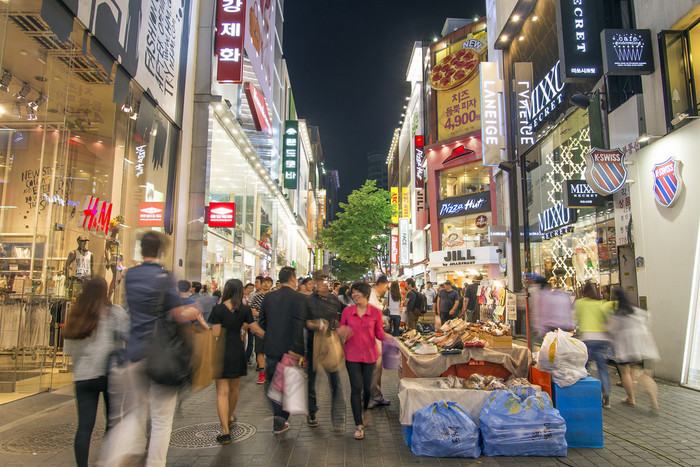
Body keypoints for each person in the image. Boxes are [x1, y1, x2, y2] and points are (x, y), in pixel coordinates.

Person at [105, 231, 199, 467]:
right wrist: (192, 311)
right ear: (161, 251)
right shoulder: (163, 277)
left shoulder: (131, 275)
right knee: (161, 420)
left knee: (136, 412)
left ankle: (118, 454)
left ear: (142, 249)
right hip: (160, 355)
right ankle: (155, 463)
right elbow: (178, 314)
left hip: (134, 351)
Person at [63, 277, 128, 467]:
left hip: (83, 377)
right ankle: (106, 460)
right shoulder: (113, 312)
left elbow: (69, 350)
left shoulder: (76, 316)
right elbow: (129, 334)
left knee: (84, 426)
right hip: (109, 374)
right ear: (105, 292)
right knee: (113, 422)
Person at [208, 279, 264, 444]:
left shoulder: (217, 309)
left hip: (221, 351)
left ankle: (225, 430)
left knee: (221, 392)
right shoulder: (244, 309)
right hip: (237, 350)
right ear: (240, 291)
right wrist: (270, 336)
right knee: (234, 389)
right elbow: (255, 328)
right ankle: (230, 416)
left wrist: (205, 325)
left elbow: (215, 333)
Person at [259, 266, 306, 434]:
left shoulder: (269, 297)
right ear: (293, 279)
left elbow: (262, 322)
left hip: (271, 348)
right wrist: (299, 349)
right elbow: (300, 325)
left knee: (273, 383)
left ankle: (278, 419)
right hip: (290, 350)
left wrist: (271, 335)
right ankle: (280, 421)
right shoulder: (299, 298)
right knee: (287, 386)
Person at [338, 281, 387, 440]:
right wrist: (341, 332)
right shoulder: (347, 311)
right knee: (355, 389)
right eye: (353, 292)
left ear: (366, 294)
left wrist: (390, 337)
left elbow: (378, 333)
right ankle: (358, 425)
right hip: (351, 356)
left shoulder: (375, 312)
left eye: (358, 292)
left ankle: (363, 411)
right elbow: (341, 329)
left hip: (370, 355)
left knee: (367, 389)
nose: (355, 295)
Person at [608, 288, 660, 411]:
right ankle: (654, 402)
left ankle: (631, 399)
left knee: (625, 373)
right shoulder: (636, 311)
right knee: (642, 374)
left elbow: (611, 329)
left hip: (624, 349)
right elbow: (647, 322)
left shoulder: (618, 313)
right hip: (641, 348)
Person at [304, 270, 344, 429]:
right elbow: (304, 322)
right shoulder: (308, 301)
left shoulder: (333, 300)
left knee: (335, 381)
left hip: (330, 342)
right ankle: (312, 411)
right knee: (311, 380)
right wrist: (315, 324)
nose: (321, 282)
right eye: (318, 280)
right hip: (312, 343)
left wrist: (338, 329)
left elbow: (337, 320)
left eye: (323, 280)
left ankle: (338, 417)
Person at [574, 280, 614, 408]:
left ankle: (583, 393)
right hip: (602, 339)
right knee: (602, 368)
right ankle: (606, 394)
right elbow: (608, 320)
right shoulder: (602, 304)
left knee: (583, 367)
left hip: (587, 338)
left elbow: (574, 319)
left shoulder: (580, 303)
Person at [367, 276, 390, 409]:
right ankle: (372, 397)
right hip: (372, 339)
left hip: (376, 338)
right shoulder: (371, 296)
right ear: (381, 284)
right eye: (386, 286)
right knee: (373, 369)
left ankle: (377, 395)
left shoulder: (374, 296)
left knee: (377, 369)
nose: (386, 288)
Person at [250, 276, 274, 384]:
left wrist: (260, 313)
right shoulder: (256, 297)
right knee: (259, 351)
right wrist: (265, 313)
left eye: (268, 282)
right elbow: (253, 312)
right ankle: (261, 374)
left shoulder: (274, 297)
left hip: (272, 328)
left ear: (271, 284)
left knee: (272, 352)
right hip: (259, 327)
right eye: (264, 282)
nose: (266, 284)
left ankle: (271, 373)